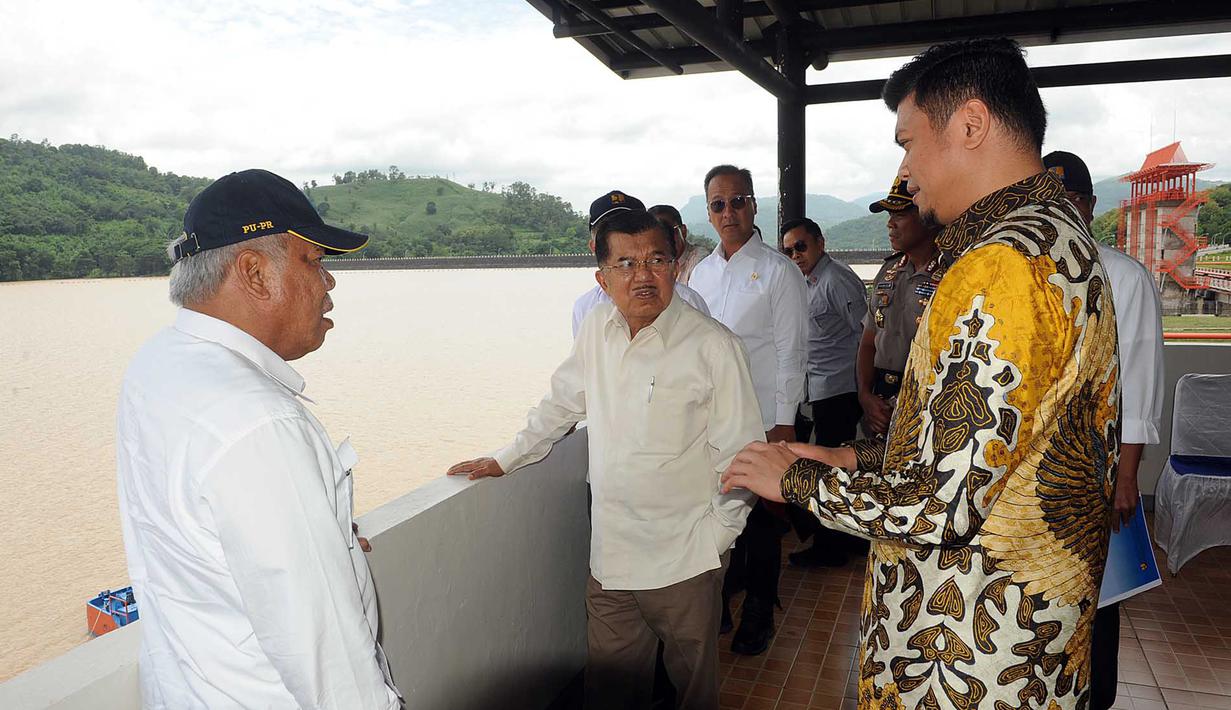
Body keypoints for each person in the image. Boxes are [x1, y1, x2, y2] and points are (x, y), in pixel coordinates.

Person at [722, 38, 1120, 710]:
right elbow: (984, 449)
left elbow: (940, 504)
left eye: (907, 142)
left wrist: (792, 477)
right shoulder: (1052, 236)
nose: (903, 171)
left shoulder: (1000, 267)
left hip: (969, 655)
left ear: (969, 124)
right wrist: (848, 455)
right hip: (1027, 650)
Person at [448, 209, 765, 710]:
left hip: (687, 559)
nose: (643, 275)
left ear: (676, 265)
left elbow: (744, 458)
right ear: (603, 277)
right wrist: (506, 458)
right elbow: (560, 403)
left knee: (694, 691)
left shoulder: (714, 347)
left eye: (657, 259)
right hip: (612, 561)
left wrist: (715, 540)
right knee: (612, 691)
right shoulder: (596, 328)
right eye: (626, 263)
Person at [115, 169, 401, 709]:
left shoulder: (156, 366)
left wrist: (323, 529)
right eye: (314, 262)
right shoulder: (261, 425)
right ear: (253, 273)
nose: (330, 284)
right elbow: (331, 667)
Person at [1044, 149, 1165, 710]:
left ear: (1089, 205)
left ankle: (1098, 696)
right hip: (1035, 469)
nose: (1058, 212)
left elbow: (1139, 379)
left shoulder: (1125, 275)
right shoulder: (1030, 272)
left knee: (1099, 591)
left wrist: (1127, 474)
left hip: (1098, 466)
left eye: (1068, 200)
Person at [688, 164, 808, 655]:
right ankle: (715, 603)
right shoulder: (701, 272)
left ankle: (759, 608)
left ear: (754, 205)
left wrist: (784, 421)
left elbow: (791, 351)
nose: (729, 212)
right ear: (709, 213)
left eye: (738, 201)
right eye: (719, 204)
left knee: (761, 523)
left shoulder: (779, 271)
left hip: (761, 419)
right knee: (707, 508)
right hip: (708, 421)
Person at [778, 217, 868, 568]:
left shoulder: (835, 280)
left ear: (820, 243)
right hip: (817, 387)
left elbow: (865, 336)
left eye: (801, 246)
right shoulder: (804, 282)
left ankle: (831, 547)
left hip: (840, 388)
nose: (796, 255)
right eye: (788, 251)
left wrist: (864, 391)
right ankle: (844, 538)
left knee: (829, 468)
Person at [858, 176, 944, 436]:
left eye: (900, 214)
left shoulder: (953, 275)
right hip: (880, 400)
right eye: (889, 214)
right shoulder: (888, 272)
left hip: (928, 401)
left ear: (927, 216)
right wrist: (865, 396)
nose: (890, 224)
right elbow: (868, 342)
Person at [572, 191, 709, 336]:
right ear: (594, 247)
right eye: (608, 232)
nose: (623, 239)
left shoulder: (688, 302)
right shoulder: (585, 309)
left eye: (631, 227)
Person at [648, 203, 706, 284]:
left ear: (683, 231)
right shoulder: (648, 264)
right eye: (653, 235)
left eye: (668, 231)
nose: (661, 239)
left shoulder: (700, 263)